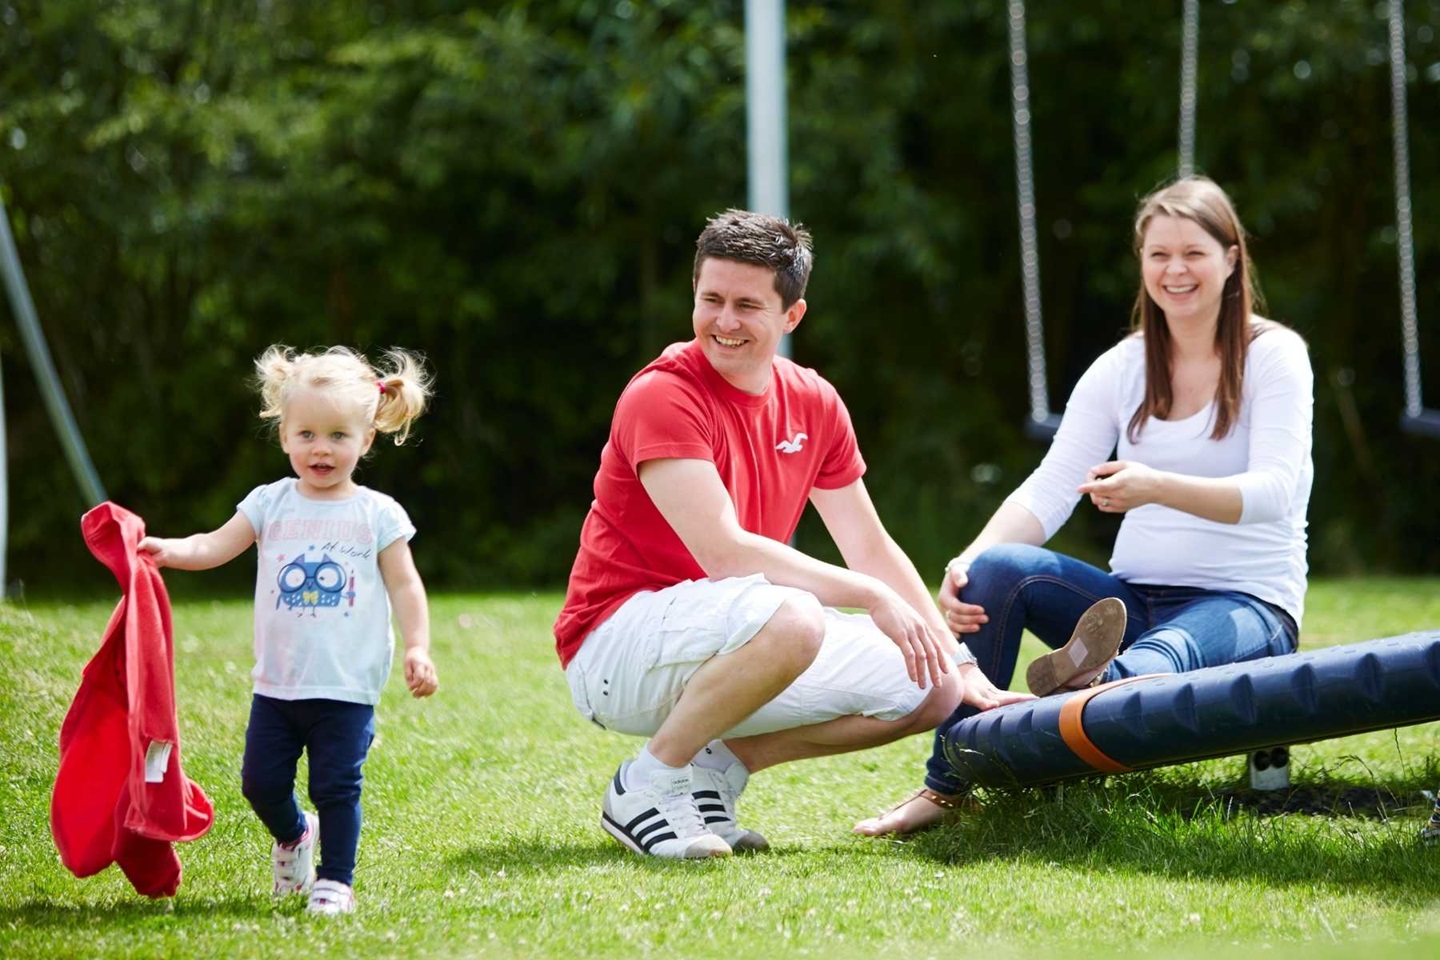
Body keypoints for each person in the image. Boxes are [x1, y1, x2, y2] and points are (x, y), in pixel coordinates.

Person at [554, 208, 1043, 861]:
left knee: (930, 685)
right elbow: (724, 553)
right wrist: (869, 596)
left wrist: (956, 659)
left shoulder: (814, 401)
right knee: (796, 617)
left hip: (733, 635)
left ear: (792, 316)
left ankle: (717, 769)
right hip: (612, 648)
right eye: (711, 300)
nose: (724, 322)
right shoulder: (661, 395)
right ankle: (644, 785)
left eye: (747, 305)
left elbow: (869, 543)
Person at [855, 176, 1313, 837]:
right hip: (1130, 598)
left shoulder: (1275, 357)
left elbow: (1277, 493)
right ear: (1142, 264)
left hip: (1244, 604)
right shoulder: (1123, 366)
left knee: (1160, 660)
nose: (1174, 270)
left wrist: (1156, 486)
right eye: (1159, 256)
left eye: (1193, 253)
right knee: (996, 575)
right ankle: (949, 788)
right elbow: (1050, 486)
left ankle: (1083, 697)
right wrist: (968, 559)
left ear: (1231, 258)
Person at [139, 345, 439, 915]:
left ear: (366, 440)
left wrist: (418, 646)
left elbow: (405, 585)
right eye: (306, 434)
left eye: (336, 435)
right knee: (259, 783)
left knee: (337, 786)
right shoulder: (269, 504)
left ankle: (335, 881)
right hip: (277, 684)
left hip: (346, 687)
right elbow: (213, 545)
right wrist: (170, 552)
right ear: (284, 437)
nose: (320, 448)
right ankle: (296, 834)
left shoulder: (378, 514)